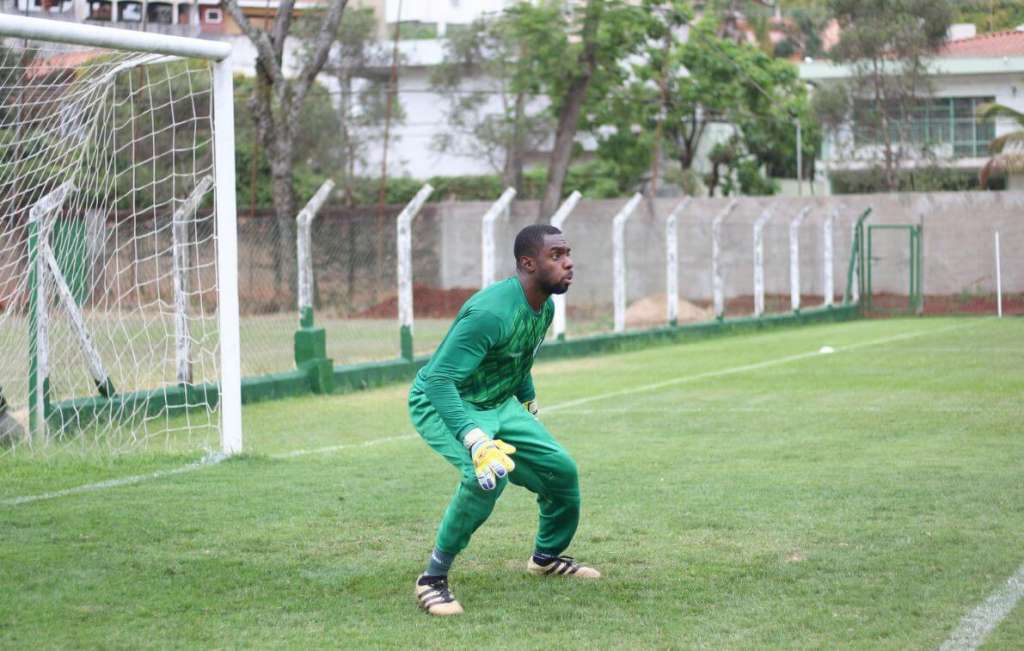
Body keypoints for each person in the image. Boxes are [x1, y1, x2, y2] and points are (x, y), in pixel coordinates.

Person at [408, 223, 600, 616]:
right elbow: (440, 381)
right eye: (557, 255)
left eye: (568, 253)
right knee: (486, 476)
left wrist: (528, 404)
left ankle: (545, 558)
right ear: (528, 264)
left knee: (561, 472)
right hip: (447, 401)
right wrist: (475, 439)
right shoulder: (490, 312)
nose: (569, 263)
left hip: (501, 403)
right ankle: (432, 579)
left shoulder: (544, 306)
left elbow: (518, 358)